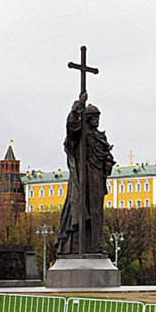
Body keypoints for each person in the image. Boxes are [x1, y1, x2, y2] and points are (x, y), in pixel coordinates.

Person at [56, 90, 115, 255]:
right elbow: (71, 125)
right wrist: (79, 106)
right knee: (80, 210)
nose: (97, 120)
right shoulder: (80, 135)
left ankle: (96, 245)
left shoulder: (99, 136)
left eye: (98, 117)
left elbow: (106, 154)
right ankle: (77, 246)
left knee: (97, 212)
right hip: (82, 176)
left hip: (97, 178)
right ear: (87, 119)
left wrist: (108, 163)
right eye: (94, 117)